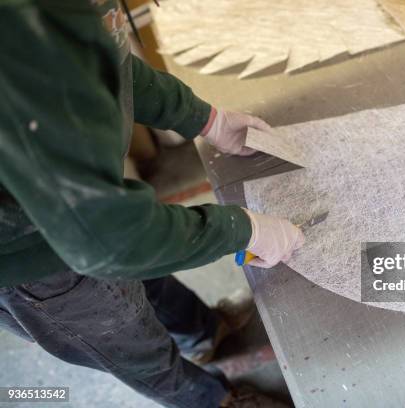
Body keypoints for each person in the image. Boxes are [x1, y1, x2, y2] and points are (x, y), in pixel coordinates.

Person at [0, 1, 303, 407]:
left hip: (80, 212)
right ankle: (212, 400)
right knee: (137, 350)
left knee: (150, 281)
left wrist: (205, 119)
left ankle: (203, 334)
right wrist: (242, 229)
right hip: (33, 261)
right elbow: (110, 241)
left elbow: (109, 61)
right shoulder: (17, 33)